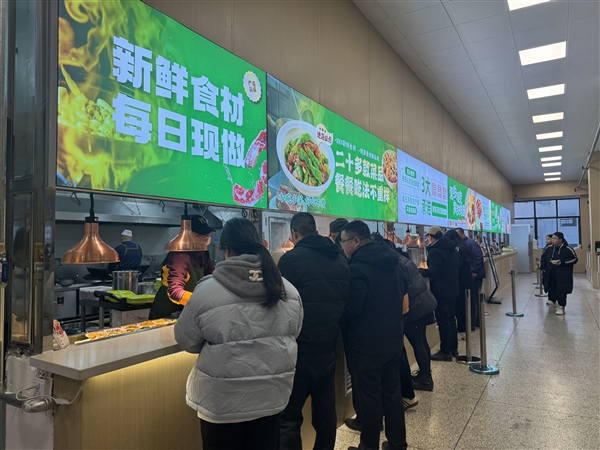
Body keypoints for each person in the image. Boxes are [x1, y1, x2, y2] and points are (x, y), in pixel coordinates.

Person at [174, 217, 303, 450]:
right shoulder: (288, 290)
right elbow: (294, 332)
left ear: (227, 250)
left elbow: (186, 341)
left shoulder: (206, 291)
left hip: (222, 405)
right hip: (271, 398)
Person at [278, 213, 350, 450]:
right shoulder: (340, 259)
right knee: (326, 415)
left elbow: (280, 307)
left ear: (294, 233)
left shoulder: (289, 261)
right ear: (316, 231)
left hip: (298, 351)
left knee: (289, 418)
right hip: (329, 349)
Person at [340, 220, 408, 450]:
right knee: (392, 394)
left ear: (356, 241)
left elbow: (352, 309)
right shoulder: (394, 263)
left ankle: (368, 447)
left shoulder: (358, 269)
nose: (342, 246)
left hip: (367, 345)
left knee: (369, 398)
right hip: (393, 340)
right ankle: (397, 443)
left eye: (343, 241)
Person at [149, 215, 215, 319]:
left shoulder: (203, 253)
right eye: (202, 234)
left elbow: (212, 276)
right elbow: (175, 291)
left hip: (187, 308)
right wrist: (200, 301)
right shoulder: (180, 256)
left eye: (207, 233)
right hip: (168, 309)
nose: (207, 237)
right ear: (188, 236)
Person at [396, 248, 437, 392]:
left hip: (415, 308)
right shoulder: (404, 260)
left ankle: (425, 379)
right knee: (422, 342)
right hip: (423, 303)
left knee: (418, 343)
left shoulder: (397, 264)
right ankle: (425, 374)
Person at [419, 226, 459, 362]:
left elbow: (432, 272)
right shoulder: (452, 248)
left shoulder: (435, 251)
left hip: (441, 290)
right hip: (453, 287)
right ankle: (453, 348)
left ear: (431, 237)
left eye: (427, 237)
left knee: (443, 320)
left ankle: (445, 351)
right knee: (451, 319)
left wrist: (418, 270)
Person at [541, 232, 578, 315]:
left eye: (555, 238)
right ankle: (552, 299)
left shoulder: (568, 249)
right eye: (552, 238)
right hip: (551, 272)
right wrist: (543, 268)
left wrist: (562, 262)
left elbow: (575, 259)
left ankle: (561, 306)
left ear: (560, 239)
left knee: (561, 290)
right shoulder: (549, 248)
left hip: (563, 274)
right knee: (551, 286)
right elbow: (543, 258)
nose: (553, 240)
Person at [445, 230, 472, 339]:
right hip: (466, 280)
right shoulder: (463, 247)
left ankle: (462, 326)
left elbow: (457, 265)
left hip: (460, 281)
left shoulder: (457, 250)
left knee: (459, 306)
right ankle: (465, 325)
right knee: (464, 305)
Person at [456, 228, 485, 328]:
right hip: (470, 276)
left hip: (474, 277)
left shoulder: (470, 244)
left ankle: (472, 323)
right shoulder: (466, 244)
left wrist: (473, 272)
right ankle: (475, 321)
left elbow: (478, 258)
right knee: (473, 300)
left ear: (462, 234)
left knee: (473, 300)